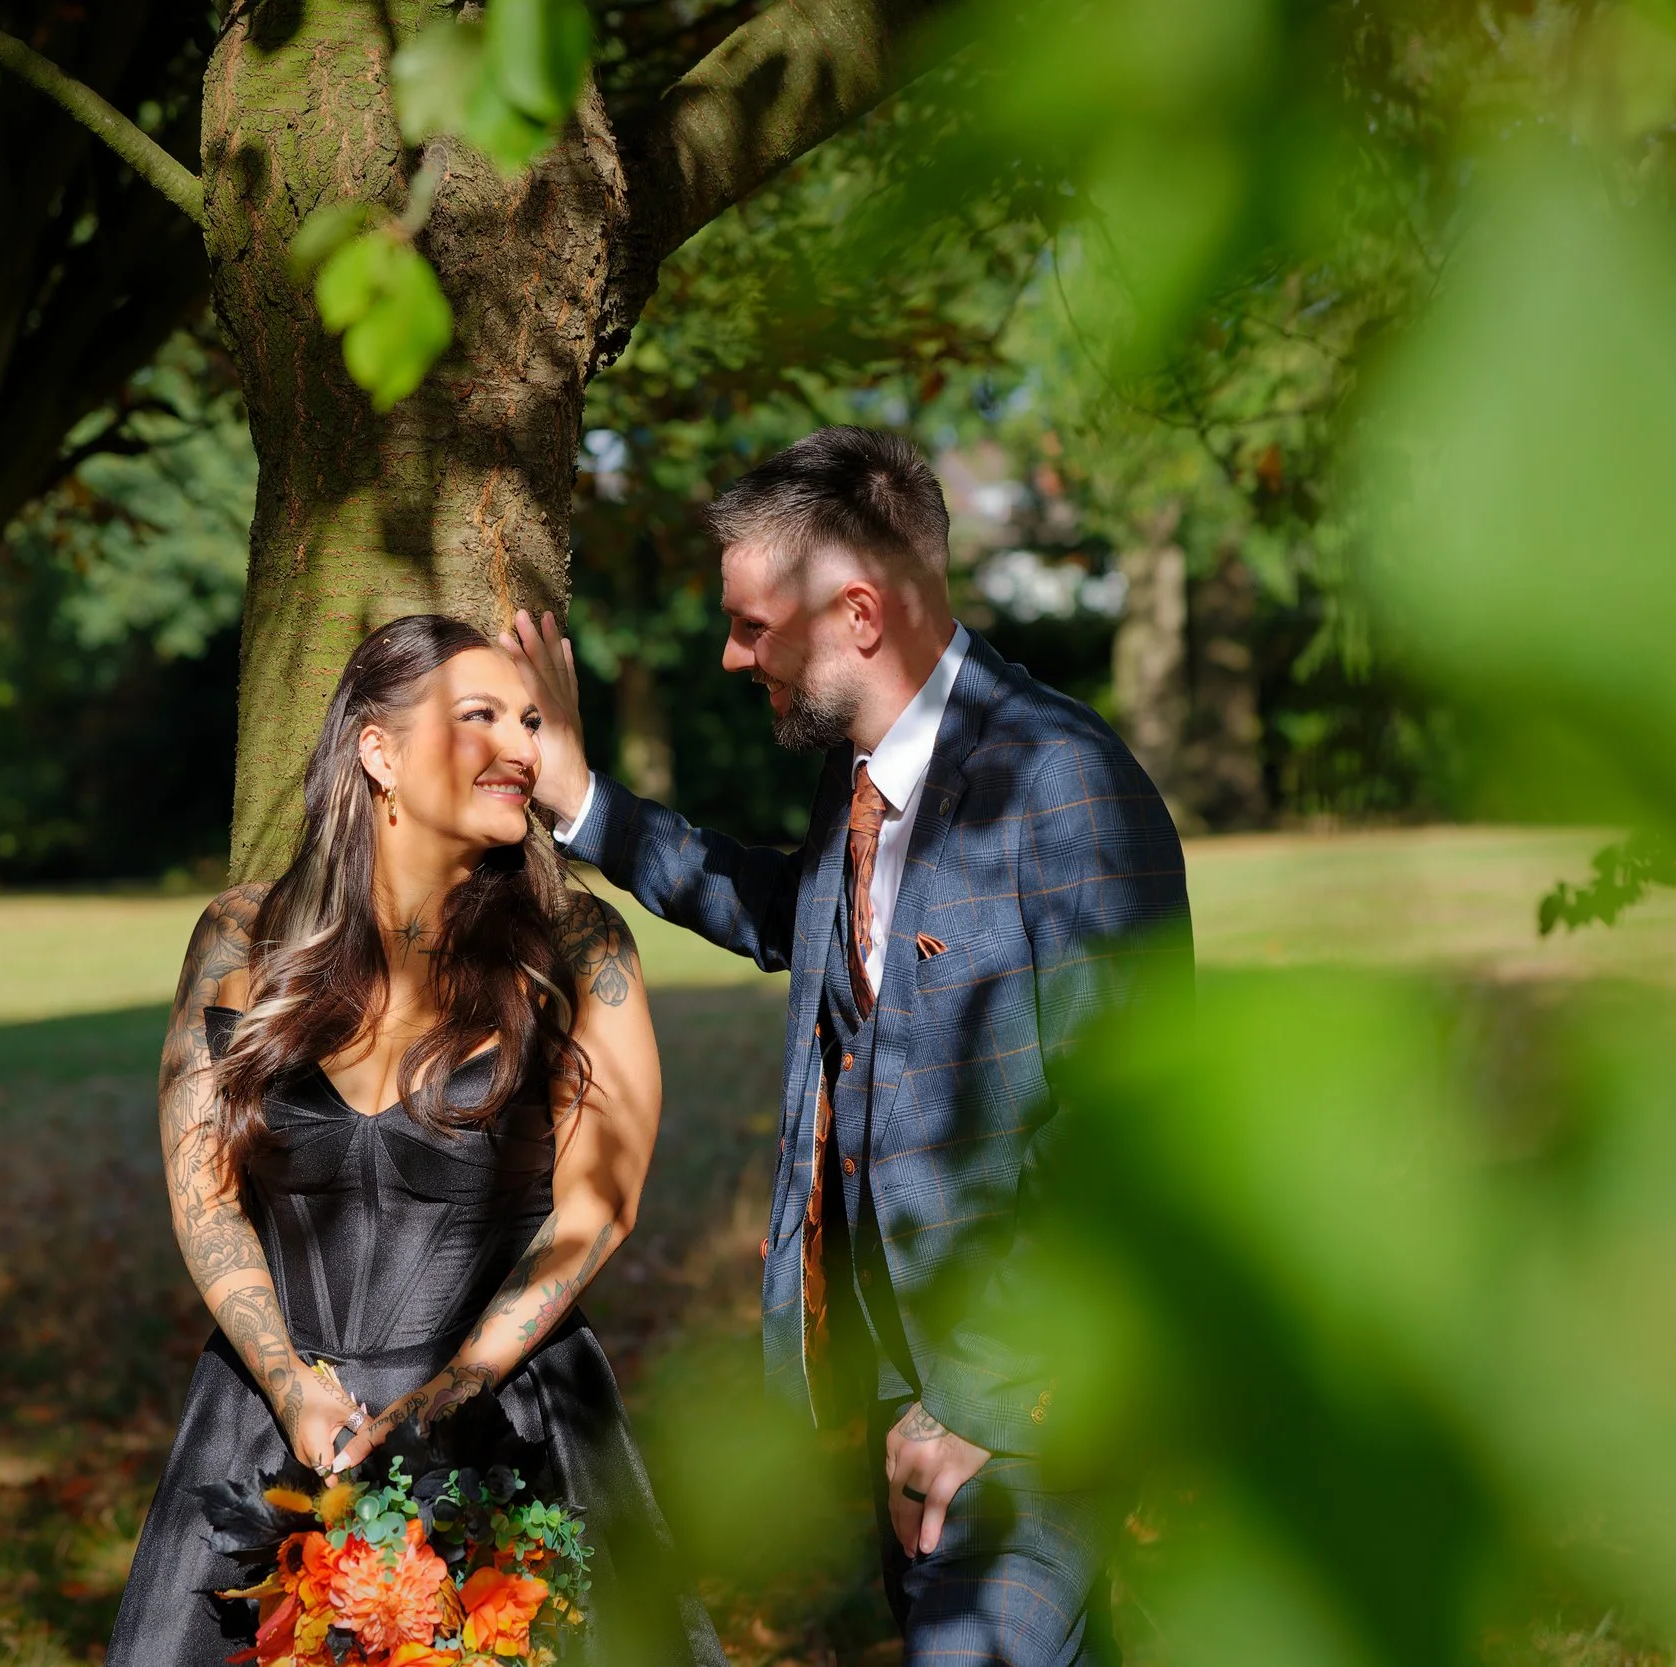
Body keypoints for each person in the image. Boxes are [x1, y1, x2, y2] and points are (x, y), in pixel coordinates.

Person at [503, 427, 1192, 1665]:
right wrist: (581, 801)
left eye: (753, 625)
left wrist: (987, 1414)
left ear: (858, 613)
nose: (730, 654)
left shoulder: (1065, 786)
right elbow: (795, 914)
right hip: (896, 1386)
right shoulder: (863, 776)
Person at [108, 615, 724, 1667]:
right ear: (377, 750)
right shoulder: (240, 938)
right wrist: (289, 1378)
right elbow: (203, 1192)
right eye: (477, 716)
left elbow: (597, 1203)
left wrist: (463, 1380)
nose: (520, 746)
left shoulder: (578, 946)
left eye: (529, 719)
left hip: (506, 1420)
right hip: (266, 1423)